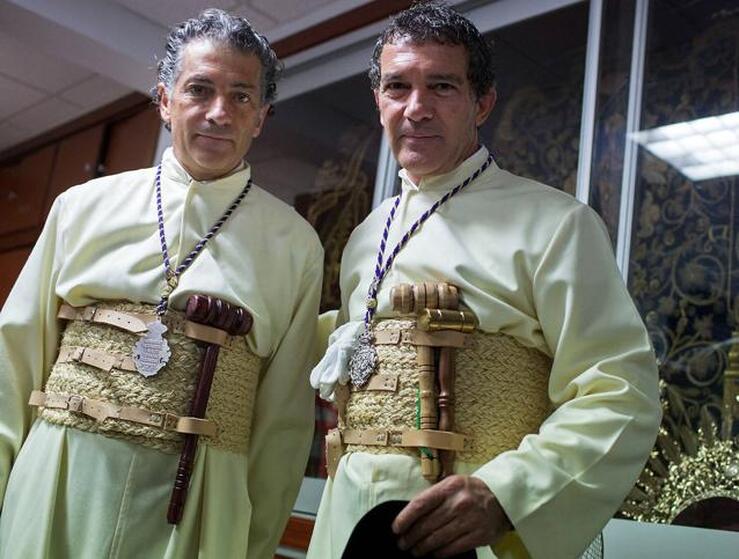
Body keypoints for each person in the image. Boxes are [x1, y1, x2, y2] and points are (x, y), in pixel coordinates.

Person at [308, 3, 661, 558]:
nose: (416, 108)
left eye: (442, 86)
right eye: (398, 86)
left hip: (465, 529)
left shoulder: (556, 224)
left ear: (482, 103)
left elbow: (620, 392)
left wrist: (505, 495)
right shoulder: (365, 236)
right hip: (343, 522)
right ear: (379, 101)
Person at [0, 9, 322, 559]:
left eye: (241, 97)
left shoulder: (296, 245)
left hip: (200, 505)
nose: (219, 112)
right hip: (57, 477)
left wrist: (252, 543)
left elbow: (282, 424)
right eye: (200, 89)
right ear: (165, 101)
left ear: (261, 117)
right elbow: (14, 360)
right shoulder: (80, 208)